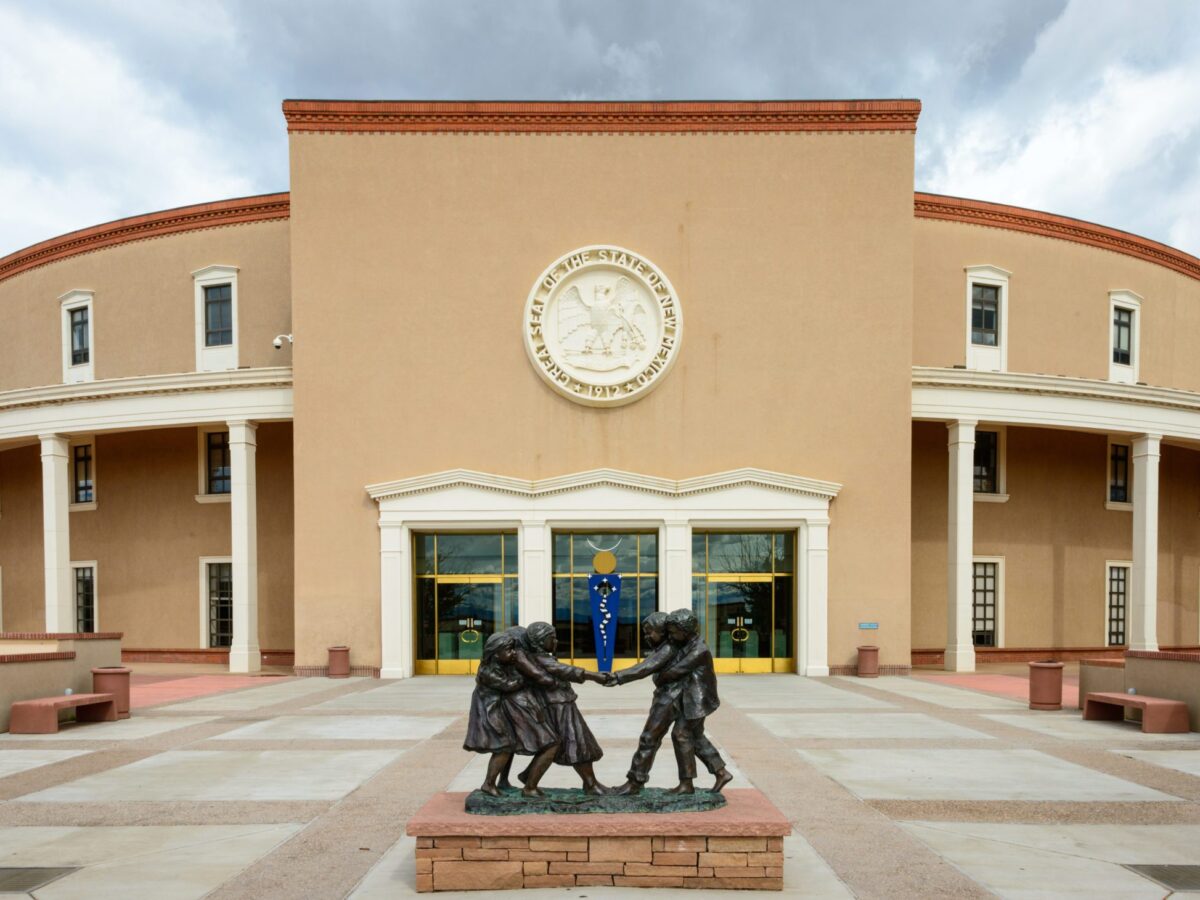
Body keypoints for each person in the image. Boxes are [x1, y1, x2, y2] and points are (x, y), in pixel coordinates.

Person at [515, 621, 612, 795]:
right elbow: (564, 670)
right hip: (558, 707)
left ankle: (530, 777)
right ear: (540, 640)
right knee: (577, 742)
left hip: (560, 704)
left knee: (565, 744)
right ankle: (589, 784)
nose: (556, 641)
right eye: (552, 638)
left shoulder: (539, 657)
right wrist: (594, 675)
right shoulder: (540, 658)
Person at [463, 631, 559, 798]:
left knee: (508, 745)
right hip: (490, 712)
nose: (514, 653)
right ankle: (489, 783)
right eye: (509, 650)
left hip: (498, 709)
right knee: (503, 747)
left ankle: (503, 781)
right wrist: (527, 678)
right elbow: (510, 685)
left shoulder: (502, 665)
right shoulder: (488, 672)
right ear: (495, 653)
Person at [604, 610, 685, 795]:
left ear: (663, 632)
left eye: (650, 632)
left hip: (670, 698)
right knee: (694, 739)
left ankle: (635, 782)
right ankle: (720, 771)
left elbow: (644, 668)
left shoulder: (668, 648)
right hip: (669, 695)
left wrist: (618, 677)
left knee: (649, 738)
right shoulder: (665, 647)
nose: (647, 636)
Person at [654, 608, 732, 794]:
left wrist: (659, 676)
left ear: (685, 631)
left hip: (698, 700)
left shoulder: (699, 650)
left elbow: (674, 672)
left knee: (680, 734)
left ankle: (686, 783)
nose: (670, 637)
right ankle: (721, 772)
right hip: (690, 699)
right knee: (696, 737)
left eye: (673, 632)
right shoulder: (687, 644)